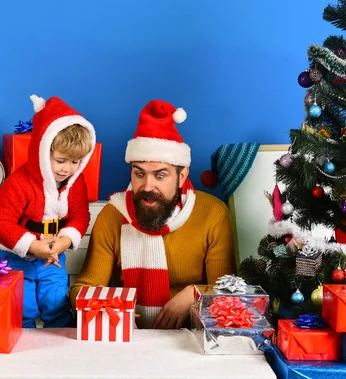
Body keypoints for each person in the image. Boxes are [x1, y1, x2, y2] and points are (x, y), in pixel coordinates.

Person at [70, 99, 236, 329]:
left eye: (160, 176)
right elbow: (82, 289)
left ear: (181, 175)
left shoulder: (213, 215)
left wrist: (194, 293)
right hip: (129, 338)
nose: (147, 186)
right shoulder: (113, 214)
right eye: (139, 174)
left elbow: (228, 291)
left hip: (191, 340)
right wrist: (112, 308)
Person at [0, 94, 96, 328]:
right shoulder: (19, 183)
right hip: (15, 257)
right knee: (21, 309)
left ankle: (59, 352)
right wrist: (32, 245)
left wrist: (65, 240)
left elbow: (80, 216)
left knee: (56, 302)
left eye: (75, 161)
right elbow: (1, 223)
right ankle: (22, 351)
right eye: (61, 160)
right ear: (41, 150)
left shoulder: (74, 183)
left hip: (53, 255)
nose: (67, 169)